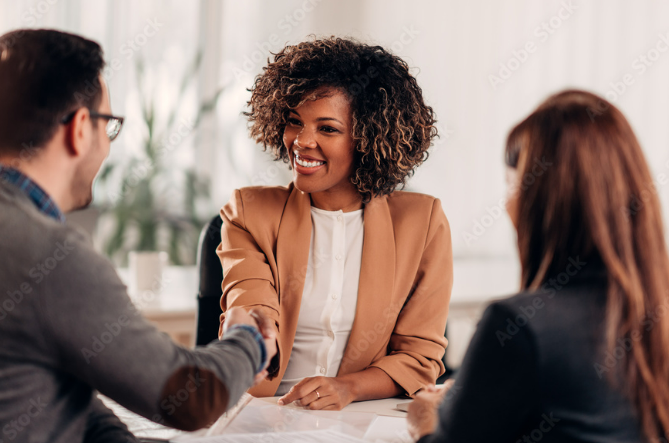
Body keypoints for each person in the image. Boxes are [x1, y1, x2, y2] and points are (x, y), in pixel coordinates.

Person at [0, 29, 276, 443]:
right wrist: (248, 339)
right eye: (108, 126)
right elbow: (190, 398)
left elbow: (49, 385)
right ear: (79, 128)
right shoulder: (50, 257)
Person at [407, 90, 669, 442]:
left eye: (513, 184)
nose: (507, 204)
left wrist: (427, 422)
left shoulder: (519, 326)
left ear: (542, 199)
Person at [216, 37, 453, 410]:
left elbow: (419, 357)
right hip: (265, 413)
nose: (302, 141)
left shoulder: (421, 223)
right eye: (295, 122)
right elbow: (251, 297)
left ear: (369, 138)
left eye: (327, 129)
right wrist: (248, 324)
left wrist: (348, 388)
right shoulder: (249, 212)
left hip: (361, 417)